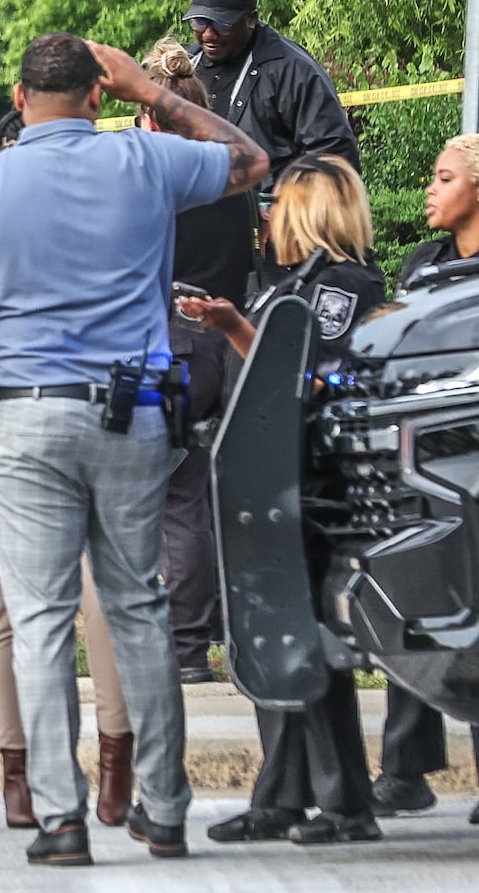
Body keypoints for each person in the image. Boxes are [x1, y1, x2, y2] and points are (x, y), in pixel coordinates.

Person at [0, 32, 268, 867]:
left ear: (19, 103)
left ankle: (61, 819)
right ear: (101, 97)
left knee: (40, 620)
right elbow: (251, 163)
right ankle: (164, 809)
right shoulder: (146, 161)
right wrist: (156, 96)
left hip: (24, 422)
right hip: (133, 416)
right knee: (137, 608)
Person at [179, 154, 386, 845]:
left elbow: (314, 376)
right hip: (264, 480)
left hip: (309, 486)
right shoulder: (281, 284)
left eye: (276, 203)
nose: (264, 215)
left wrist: (243, 327)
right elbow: (273, 363)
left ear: (307, 208)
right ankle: (284, 794)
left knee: (307, 641)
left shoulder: (344, 285)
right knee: (271, 641)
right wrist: (231, 323)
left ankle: (345, 804)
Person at [0, 109, 136, 830]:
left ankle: (21, 779)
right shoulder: (105, 230)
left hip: (6, 427)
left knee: (16, 612)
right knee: (103, 600)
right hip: (99, 422)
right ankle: (114, 773)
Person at [369, 132, 479, 827]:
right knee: (416, 601)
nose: (430, 187)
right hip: (417, 458)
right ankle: (404, 771)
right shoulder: (423, 263)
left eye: (444, 177)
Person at [135, 37, 257, 683]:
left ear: (151, 115)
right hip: (228, 340)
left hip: (171, 342)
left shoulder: (154, 178)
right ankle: (220, 629)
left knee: (172, 503)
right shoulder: (226, 175)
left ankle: (184, 651)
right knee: (210, 497)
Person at [184, 0, 359, 193]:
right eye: (200, 22)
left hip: (276, 219)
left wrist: (283, 205)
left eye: (221, 24)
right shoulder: (185, 64)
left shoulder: (292, 70)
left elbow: (336, 155)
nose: (208, 34)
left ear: (251, 19)